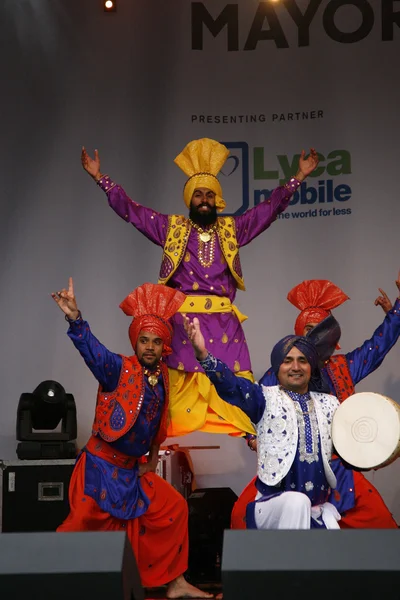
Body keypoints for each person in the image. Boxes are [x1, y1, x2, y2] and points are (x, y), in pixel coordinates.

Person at [81, 138, 320, 438]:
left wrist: (297, 177)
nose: (204, 200)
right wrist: (102, 179)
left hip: (224, 322)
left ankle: (253, 438)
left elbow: (267, 210)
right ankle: (156, 445)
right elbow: (133, 212)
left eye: (210, 195)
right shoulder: (172, 229)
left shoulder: (232, 229)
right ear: (189, 200)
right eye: (198, 195)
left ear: (217, 199)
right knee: (175, 394)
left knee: (236, 387)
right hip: (183, 324)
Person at [53, 278, 213, 598]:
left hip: (131, 472)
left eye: (156, 341)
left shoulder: (163, 377)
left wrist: (152, 462)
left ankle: (175, 583)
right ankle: (54, 587)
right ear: (135, 342)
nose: (150, 347)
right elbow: (93, 353)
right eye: (144, 340)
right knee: (77, 530)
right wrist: (75, 319)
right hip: (98, 469)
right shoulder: (118, 370)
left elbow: (159, 424)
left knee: (174, 507)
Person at [231, 277, 400, 530]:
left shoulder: (344, 367)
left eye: (320, 329)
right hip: (288, 467)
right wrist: (252, 437)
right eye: (308, 330)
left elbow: (376, 348)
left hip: (336, 469)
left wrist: (396, 313)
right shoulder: (279, 373)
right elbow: (250, 407)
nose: (314, 337)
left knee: (381, 524)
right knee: (239, 518)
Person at [184, 314, 342, 529]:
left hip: (318, 511)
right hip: (272, 508)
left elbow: (351, 448)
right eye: (287, 361)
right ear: (277, 367)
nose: (295, 366)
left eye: (302, 360)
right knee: (297, 502)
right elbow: (231, 385)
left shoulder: (330, 404)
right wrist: (203, 355)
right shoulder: (264, 397)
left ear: (311, 367)